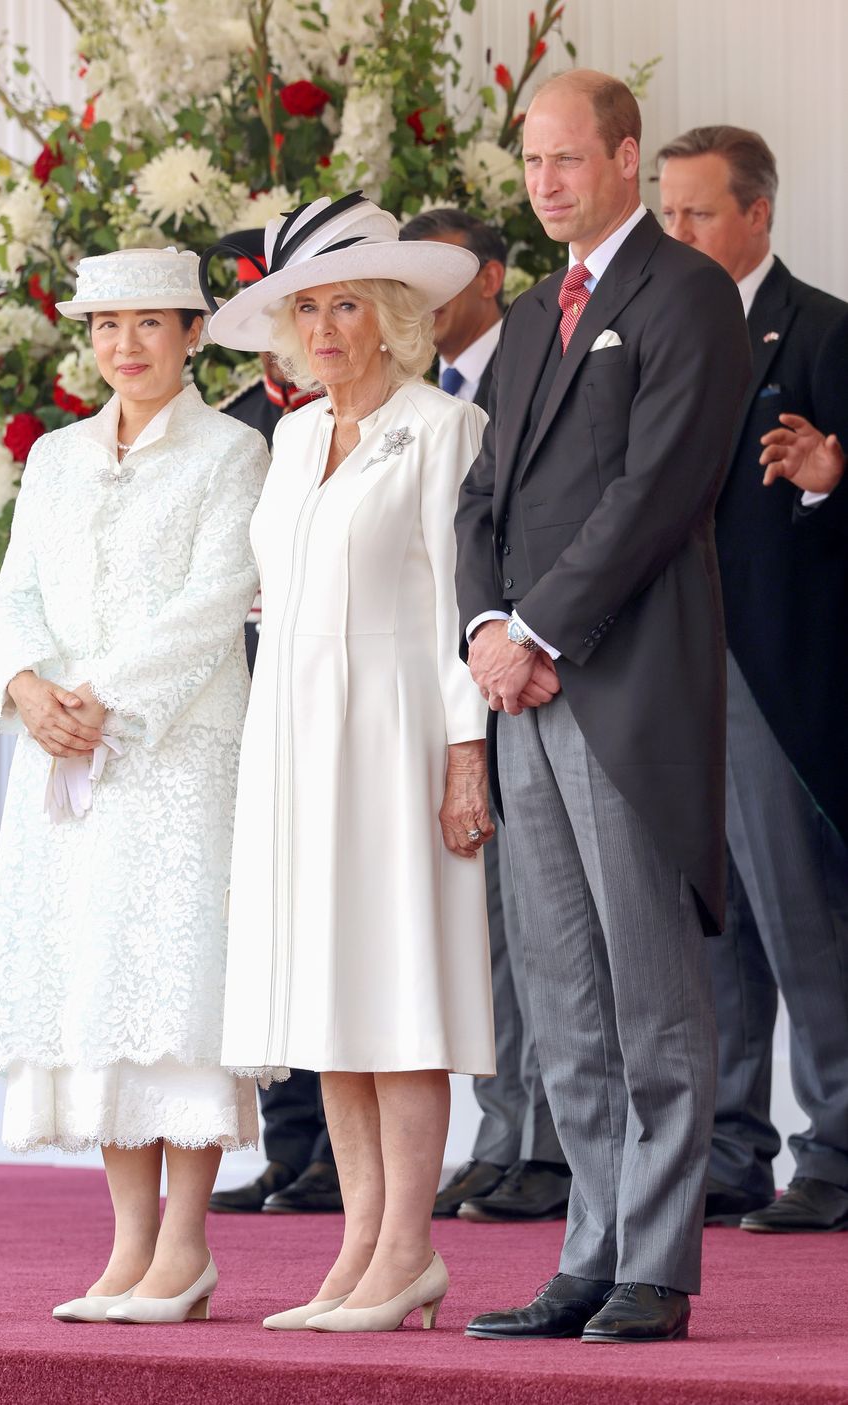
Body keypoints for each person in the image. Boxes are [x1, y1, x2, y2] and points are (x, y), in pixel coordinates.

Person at [456, 70, 751, 1345]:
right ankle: (586, 1249)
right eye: (529, 165)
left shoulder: (686, 297)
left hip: (621, 686)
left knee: (648, 994)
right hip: (520, 695)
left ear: (625, 159)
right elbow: (481, 501)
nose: (544, 184)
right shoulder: (529, 315)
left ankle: (657, 1264)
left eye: (566, 160)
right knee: (563, 994)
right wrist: (481, 630)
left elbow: (655, 493)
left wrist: (533, 629)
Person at [203, 191, 497, 1333]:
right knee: (326, 994)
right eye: (305, 309)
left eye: (343, 305)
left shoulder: (441, 428)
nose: (322, 328)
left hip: (395, 735)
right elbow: (273, 606)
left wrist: (462, 751)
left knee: (396, 991)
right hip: (294, 736)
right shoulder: (286, 437)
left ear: (387, 315)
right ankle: (358, 1249)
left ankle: (408, 1249)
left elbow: (457, 607)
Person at [0, 247, 270, 1324]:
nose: (126, 345)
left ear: (193, 333)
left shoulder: (233, 453)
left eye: (150, 323)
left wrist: (98, 700)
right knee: (94, 984)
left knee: (172, 984)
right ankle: (128, 1244)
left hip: (174, 752)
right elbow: (15, 593)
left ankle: (184, 1247)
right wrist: (27, 686)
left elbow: (216, 596)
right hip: (60, 756)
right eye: (106, 325)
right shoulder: (52, 457)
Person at [659, 126, 848, 1235]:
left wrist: (830, 483)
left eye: (694, 212)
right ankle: (729, 1146)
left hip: (774, 674)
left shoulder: (823, 329)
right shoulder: (645, 334)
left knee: (796, 914)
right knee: (704, 923)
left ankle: (834, 1143)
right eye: (665, 212)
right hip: (664, 673)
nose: (674, 232)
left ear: (756, 215)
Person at [400, 208, 569, 1225]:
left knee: (547, 925)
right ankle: (503, 1134)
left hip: (536, 666)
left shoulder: (537, 352)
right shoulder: (423, 399)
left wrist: (514, 636)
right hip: (464, 667)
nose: (419, 303)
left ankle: (547, 1145)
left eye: (438, 279)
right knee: (494, 928)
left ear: (490, 277)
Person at [210, 233, 341, 1216]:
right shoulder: (233, 427)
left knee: (339, 914)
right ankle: (291, 1143)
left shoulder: (357, 411)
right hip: (248, 691)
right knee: (273, 920)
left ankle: (344, 1149)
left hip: (339, 690)